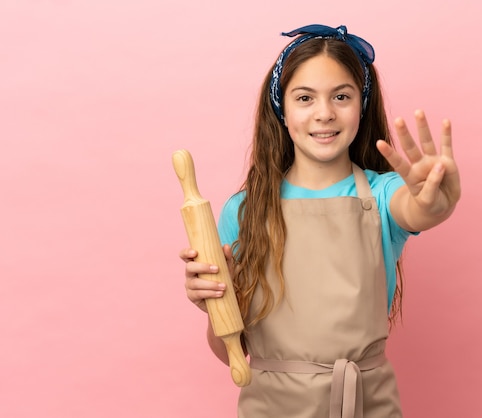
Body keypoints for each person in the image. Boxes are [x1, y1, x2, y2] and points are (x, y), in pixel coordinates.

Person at [180, 24, 461, 418]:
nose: (324, 113)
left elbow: (417, 208)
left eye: (341, 96)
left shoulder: (383, 195)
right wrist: (214, 306)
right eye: (305, 98)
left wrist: (438, 202)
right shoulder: (244, 211)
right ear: (282, 108)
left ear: (360, 105)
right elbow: (233, 354)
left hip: (368, 405)